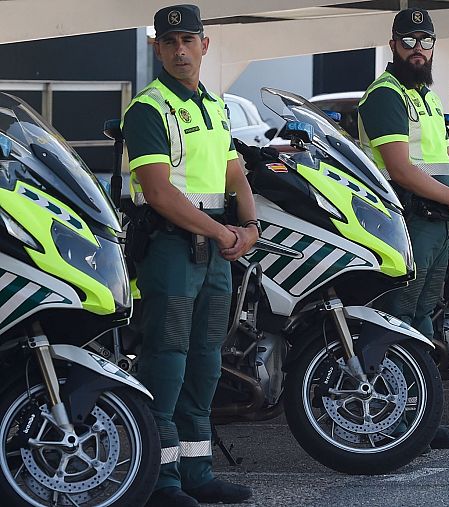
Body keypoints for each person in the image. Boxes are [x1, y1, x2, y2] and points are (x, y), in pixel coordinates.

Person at [122, 5, 258, 506]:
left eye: (188, 40)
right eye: (169, 42)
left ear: (205, 44)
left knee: (205, 363)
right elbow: (159, 192)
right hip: (171, 251)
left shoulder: (215, 106)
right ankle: (161, 481)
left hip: (215, 253)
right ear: (156, 48)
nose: (180, 50)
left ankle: (197, 473)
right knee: (167, 362)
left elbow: (234, 173)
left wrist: (251, 226)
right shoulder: (148, 109)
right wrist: (225, 233)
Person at [357, 8, 449, 449]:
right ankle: (395, 420)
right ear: (393, 45)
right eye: (408, 41)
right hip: (407, 219)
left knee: (423, 317)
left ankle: (421, 420)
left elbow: (444, 155)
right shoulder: (385, 95)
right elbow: (401, 170)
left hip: (435, 222)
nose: (418, 49)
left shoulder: (426, 95)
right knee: (399, 318)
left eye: (425, 41)